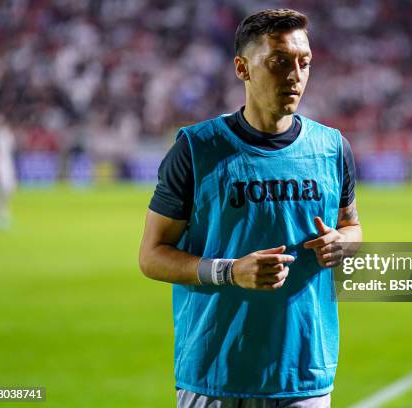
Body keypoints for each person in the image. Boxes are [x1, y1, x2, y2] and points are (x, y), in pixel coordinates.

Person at [139, 9, 362, 407]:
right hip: (215, 376)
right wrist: (230, 271)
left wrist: (343, 243)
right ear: (242, 68)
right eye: (279, 62)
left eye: (304, 62)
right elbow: (151, 256)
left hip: (303, 376)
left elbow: (352, 227)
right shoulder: (196, 149)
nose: (295, 74)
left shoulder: (332, 148)